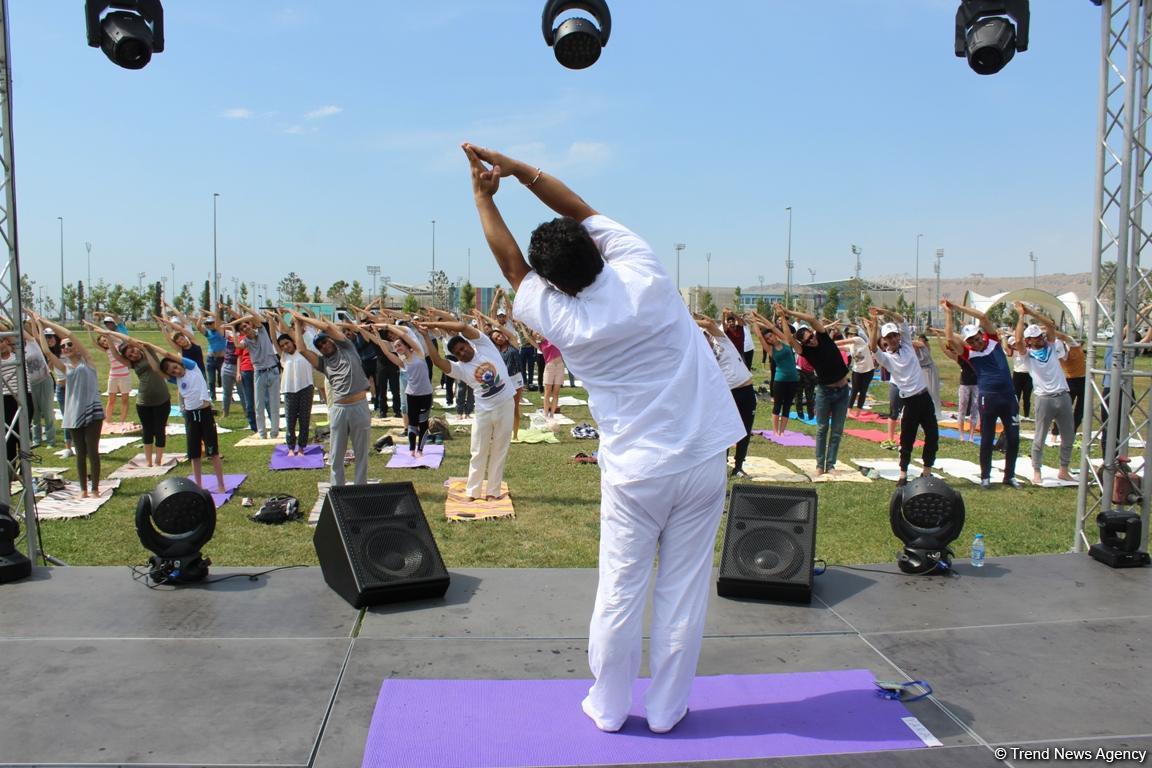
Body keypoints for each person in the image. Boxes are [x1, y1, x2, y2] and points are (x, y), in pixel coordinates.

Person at [461, 143, 743, 735]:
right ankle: (667, 710)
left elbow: (512, 267)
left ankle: (610, 708)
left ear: (551, 282)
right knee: (683, 591)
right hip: (700, 459)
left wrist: (483, 197)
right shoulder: (643, 270)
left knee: (620, 591)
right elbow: (581, 207)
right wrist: (518, 169)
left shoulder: (559, 316)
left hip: (637, 473)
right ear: (595, 248)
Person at [421, 317, 515, 501]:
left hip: (506, 405)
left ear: (469, 343)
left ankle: (493, 492)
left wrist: (434, 324)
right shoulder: (460, 369)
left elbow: (462, 326)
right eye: (457, 353)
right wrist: (426, 335)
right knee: (478, 451)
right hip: (484, 412)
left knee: (499, 449)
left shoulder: (485, 346)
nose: (462, 353)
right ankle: (473, 492)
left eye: (463, 348)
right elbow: (437, 360)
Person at [942, 299, 1022, 489]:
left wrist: (957, 307)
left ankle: (1009, 476)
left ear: (982, 335)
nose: (976, 343)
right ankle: (985, 477)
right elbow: (950, 339)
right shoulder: (969, 354)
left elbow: (983, 317)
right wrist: (948, 313)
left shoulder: (993, 341)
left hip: (1008, 397)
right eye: (971, 341)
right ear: (967, 343)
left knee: (1013, 437)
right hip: (988, 398)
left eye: (977, 338)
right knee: (987, 437)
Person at [290, 310, 372, 486]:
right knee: (336, 455)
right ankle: (338, 490)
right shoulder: (323, 363)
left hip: (359, 406)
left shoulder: (348, 348)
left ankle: (360, 489)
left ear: (332, 340)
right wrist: (297, 324)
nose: (323, 346)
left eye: (324, 342)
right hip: (339, 410)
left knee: (361, 454)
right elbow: (302, 349)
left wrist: (302, 317)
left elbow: (327, 327)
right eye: (319, 346)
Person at [866, 310, 938, 485]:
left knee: (933, 436)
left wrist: (884, 312)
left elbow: (902, 320)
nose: (892, 339)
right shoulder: (886, 358)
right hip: (910, 401)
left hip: (924, 397)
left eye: (894, 336)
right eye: (888, 338)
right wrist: (874, 325)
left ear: (899, 336)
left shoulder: (907, 346)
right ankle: (903, 474)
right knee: (907, 438)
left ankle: (927, 471)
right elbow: (873, 347)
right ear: (884, 341)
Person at [778, 305, 851, 475]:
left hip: (842, 390)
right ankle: (820, 465)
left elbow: (811, 318)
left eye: (811, 336)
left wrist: (789, 312)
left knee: (837, 430)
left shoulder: (823, 337)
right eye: (807, 340)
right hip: (825, 392)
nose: (812, 340)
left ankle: (831, 465)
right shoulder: (805, 352)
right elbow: (789, 340)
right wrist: (782, 318)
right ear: (804, 344)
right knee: (822, 428)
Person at [37, 317, 104, 497]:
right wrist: (38, 326)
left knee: (92, 451)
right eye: (64, 347)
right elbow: (46, 350)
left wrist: (46, 322)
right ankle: (83, 489)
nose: (66, 347)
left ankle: (95, 488)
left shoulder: (87, 361)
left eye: (69, 345)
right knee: (80, 453)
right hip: (73, 412)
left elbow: (69, 334)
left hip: (93, 411)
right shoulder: (65, 368)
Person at [92, 323, 172, 468]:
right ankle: (148, 462)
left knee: (160, 430)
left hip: (162, 399)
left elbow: (128, 339)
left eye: (133, 351)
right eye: (129, 355)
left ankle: (158, 460)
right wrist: (108, 337)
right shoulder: (132, 364)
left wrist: (110, 332)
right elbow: (116, 355)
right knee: (147, 431)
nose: (133, 355)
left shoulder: (147, 349)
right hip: (144, 402)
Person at [1014, 302, 1077, 485]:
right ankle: (1036, 471)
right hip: (1044, 399)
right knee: (1040, 436)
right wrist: (1020, 316)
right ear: (1029, 341)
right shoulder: (1027, 356)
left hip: (1063, 395)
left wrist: (1030, 312)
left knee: (1068, 436)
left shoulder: (1049, 346)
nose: (1040, 339)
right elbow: (1017, 342)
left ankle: (1063, 470)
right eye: (1034, 337)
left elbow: (1050, 325)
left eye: (1040, 336)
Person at [366, 323, 434, 457]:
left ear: (407, 345)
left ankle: (420, 450)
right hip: (411, 395)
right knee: (412, 423)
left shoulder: (419, 353)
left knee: (423, 423)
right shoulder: (402, 362)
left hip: (425, 394)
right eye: (395, 347)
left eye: (399, 345)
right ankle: (412, 449)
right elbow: (385, 350)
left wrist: (386, 326)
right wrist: (377, 334)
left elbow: (403, 335)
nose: (397, 348)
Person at [230, 313, 281, 440]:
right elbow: (237, 346)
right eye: (242, 329)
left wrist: (237, 321)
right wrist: (232, 328)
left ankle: (274, 433)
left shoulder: (261, 331)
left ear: (250, 324)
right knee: (259, 405)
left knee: (274, 404)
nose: (245, 329)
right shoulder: (245, 341)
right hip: (259, 373)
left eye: (246, 326)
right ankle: (262, 433)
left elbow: (252, 315)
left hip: (273, 371)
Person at [749, 310, 798, 436]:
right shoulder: (770, 350)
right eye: (768, 338)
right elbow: (759, 336)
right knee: (777, 405)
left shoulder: (786, 342)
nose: (770, 338)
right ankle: (775, 431)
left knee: (787, 405)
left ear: (774, 335)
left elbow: (771, 326)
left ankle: (782, 431)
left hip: (793, 379)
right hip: (779, 380)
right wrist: (754, 322)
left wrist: (758, 315)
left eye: (771, 336)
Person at [279, 328, 315, 456]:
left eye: (287, 343)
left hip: (306, 388)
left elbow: (290, 332)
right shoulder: (284, 356)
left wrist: (295, 321)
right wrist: (273, 320)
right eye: (282, 345)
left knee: (304, 420)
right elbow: (273, 337)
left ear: (293, 341)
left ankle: (301, 447)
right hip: (289, 390)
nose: (285, 346)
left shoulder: (303, 351)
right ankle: (290, 447)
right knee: (290, 421)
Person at [837, 330, 876, 419]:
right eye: (849, 335)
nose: (851, 336)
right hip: (857, 371)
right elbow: (839, 347)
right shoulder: (850, 346)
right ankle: (849, 411)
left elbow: (842, 342)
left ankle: (858, 412)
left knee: (863, 391)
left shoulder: (859, 340)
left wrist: (831, 342)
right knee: (854, 390)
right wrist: (827, 344)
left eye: (852, 334)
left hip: (868, 370)